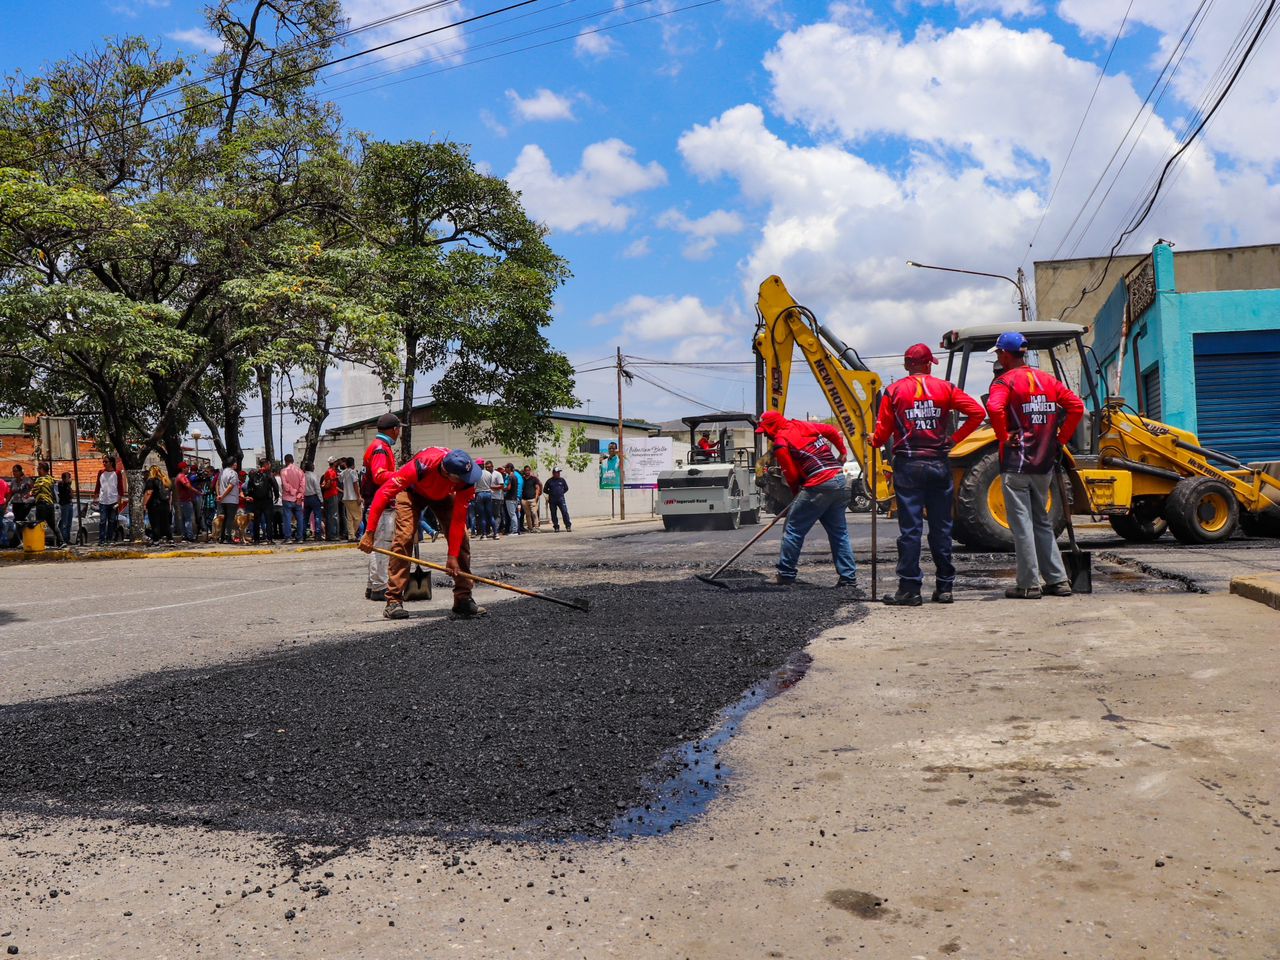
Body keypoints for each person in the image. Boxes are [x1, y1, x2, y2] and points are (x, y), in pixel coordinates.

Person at [870, 343, 986, 606]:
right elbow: (978, 413)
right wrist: (954, 439)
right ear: (929, 364)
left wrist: (872, 440)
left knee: (910, 530)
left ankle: (909, 589)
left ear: (906, 365)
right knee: (941, 528)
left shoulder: (894, 391)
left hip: (908, 466)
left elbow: (881, 436)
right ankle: (945, 588)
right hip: (938, 464)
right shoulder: (945, 388)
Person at [986, 331, 1086, 600]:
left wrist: (1002, 435)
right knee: (1042, 521)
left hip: (1017, 464)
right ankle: (1058, 580)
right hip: (1044, 462)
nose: (998, 358)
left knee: (1021, 525)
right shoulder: (1048, 380)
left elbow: (994, 409)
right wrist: (1059, 440)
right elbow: (1077, 407)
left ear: (1005, 354)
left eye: (998, 354)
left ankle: (1029, 584)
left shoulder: (1004, 382)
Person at [359, 447, 484, 621]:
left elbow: (458, 520)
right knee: (404, 537)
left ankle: (463, 598)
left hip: (442, 495)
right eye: (462, 479)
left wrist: (452, 556)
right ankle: (394, 600)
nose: (467, 481)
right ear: (448, 474)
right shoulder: (420, 466)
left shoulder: (466, 479)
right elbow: (383, 493)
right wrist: (370, 532)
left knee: (461, 538)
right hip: (412, 492)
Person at [756, 410, 859, 588]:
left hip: (819, 484)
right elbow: (831, 431)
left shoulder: (781, 442)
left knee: (793, 529)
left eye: (765, 430)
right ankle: (848, 578)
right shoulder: (803, 425)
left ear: (772, 426)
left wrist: (797, 495)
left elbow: (792, 474)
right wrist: (842, 452)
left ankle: (786, 574)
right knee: (839, 533)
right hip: (840, 480)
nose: (765, 434)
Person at [361, 413, 401, 602]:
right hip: (381, 503)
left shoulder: (377, 447)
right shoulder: (380, 449)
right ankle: (379, 586)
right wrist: (401, 475)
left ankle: (372, 585)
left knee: (377, 544)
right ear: (394, 430)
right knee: (382, 545)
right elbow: (379, 475)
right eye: (399, 429)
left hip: (376, 502)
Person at [92, 457, 124, 544]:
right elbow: (98, 485)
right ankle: (101, 540)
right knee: (102, 521)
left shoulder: (117, 473)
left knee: (112, 521)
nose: (104, 463)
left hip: (113, 501)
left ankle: (109, 539)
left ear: (111, 463)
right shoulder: (101, 472)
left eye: (106, 462)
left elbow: (120, 487)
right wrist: (95, 496)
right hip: (103, 501)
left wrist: (119, 499)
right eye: (103, 462)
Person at [248, 459, 277, 544]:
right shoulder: (269, 474)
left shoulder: (253, 474)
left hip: (256, 501)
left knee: (256, 521)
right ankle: (269, 539)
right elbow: (275, 486)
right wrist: (276, 496)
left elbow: (249, 487)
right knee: (268, 520)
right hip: (267, 500)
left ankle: (256, 539)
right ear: (266, 465)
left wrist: (251, 495)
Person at [142, 464, 173, 544]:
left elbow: (149, 492)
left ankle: (156, 540)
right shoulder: (165, 480)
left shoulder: (151, 480)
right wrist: (169, 505)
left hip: (155, 505)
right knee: (165, 523)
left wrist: (144, 504)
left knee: (155, 523)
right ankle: (170, 539)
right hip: (165, 504)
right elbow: (170, 494)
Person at [31, 462, 59, 545]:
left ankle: (39, 542)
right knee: (52, 525)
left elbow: (34, 491)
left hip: (42, 505)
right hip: (50, 505)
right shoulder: (51, 479)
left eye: (39, 468)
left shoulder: (40, 480)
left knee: (39, 524)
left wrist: (30, 493)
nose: (38, 470)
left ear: (43, 469)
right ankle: (61, 542)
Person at [280, 454, 305, 543]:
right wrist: (299, 494)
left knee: (287, 518)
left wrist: (293, 492)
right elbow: (303, 485)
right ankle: (300, 537)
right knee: (300, 518)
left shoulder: (283, 471)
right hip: (298, 498)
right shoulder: (300, 471)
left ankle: (288, 537)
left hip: (288, 498)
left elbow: (286, 486)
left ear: (285, 461)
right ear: (293, 460)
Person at [216, 455, 241, 544]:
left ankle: (222, 537)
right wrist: (222, 495)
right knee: (230, 519)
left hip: (223, 500)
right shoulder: (233, 473)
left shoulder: (222, 473)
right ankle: (228, 536)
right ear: (233, 463)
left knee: (224, 518)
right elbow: (231, 486)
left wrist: (219, 495)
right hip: (231, 499)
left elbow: (218, 484)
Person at [173, 462, 198, 542]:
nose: (188, 469)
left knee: (184, 519)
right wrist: (198, 492)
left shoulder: (179, 476)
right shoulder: (182, 477)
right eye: (187, 467)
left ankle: (185, 535)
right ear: (183, 468)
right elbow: (188, 486)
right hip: (185, 501)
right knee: (188, 519)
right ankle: (189, 536)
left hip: (182, 500)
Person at [340, 456, 361, 541]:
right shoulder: (353, 472)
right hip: (353, 497)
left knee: (350, 518)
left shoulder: (343, 473)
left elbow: (340, 480)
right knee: (358, 517)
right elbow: (355, 484)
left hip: (346, 497)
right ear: (353, 464)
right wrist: (359, 496)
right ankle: (352, 534)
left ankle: (351, 535)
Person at [475, 461, 497, 540]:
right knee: (490, 515)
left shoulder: (476, 475)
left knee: (482, 516)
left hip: (480, 494)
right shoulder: (489, 474)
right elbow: (491, 484)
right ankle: (496, 533)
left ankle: (484, 534)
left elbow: (474, 486)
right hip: (488, 493)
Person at [544, 467, 571, 532]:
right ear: (553, 473)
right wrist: (551, 493)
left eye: (559, 472)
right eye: (557, 472)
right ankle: (556, 527)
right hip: (552, 500)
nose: (558, 474)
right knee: (553, 513)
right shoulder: (549, 481)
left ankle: (568, 526)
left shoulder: (562, 480)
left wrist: (561, 493)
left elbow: (566, 488)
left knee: (564, 512)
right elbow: (545, 490)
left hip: (561, 499)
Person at [321, 457, 342, 541]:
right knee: (333, 515)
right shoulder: (331, 472)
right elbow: (328, 484)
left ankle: (330, 535)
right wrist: (323, 486)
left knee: (330, 515)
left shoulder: (329, 472)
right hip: (331, 495)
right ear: (334, 463)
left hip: (329, 495)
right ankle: (333, 534)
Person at [302, 461, 323, 541]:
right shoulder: (314, 476)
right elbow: (317, 489)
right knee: (317, 516)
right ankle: (318, 534)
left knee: (305, 517)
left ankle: (303, 533)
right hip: (314, 497)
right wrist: (321, 499)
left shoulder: (303, 476)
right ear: (312, 468)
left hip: (306, 497)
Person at [502, 462, 523, 536]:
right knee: (514, 514)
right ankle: (515, 529)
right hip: (514, 498)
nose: (505, 469)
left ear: (509, 468)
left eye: (506, 468)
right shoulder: (515, 476)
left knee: (512, 514)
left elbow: (509, 487)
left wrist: (502, 489)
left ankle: (515, 531)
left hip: (510, 498)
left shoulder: (511, 477)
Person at [488, 464, 507, 537]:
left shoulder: (497, 474)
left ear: (492, 466)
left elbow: (501, 486)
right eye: (486, 467)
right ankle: (493, 530)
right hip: (490, 497)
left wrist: (491, 487)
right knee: (491, 515)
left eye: (489, 467)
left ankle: (495, 530)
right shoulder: (487, 474)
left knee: (497, 515)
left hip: (497, 497)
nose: (488, 468)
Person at [521, 466, 542, 533]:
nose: (527, 471)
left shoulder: (534, 479)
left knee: (534, 513)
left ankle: (536, 527)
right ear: (524, 471)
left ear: (530, 471)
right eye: (526, 470)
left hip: (532, 499)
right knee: (528, 515)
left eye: (528, 470)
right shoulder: (522, 479)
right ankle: (530, 528)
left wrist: (536, 497)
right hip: (524, 500)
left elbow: (537, 488)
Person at [56, 471, 74, 546]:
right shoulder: (61, 484)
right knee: (64, 523)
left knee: (69, 523)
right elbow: (65, 485)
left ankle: (67, 539)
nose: (70, 479)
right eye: (68, 477)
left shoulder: (68, 485)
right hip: (64, 505)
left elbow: (71, 494)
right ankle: (63, 540)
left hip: (69, 504)